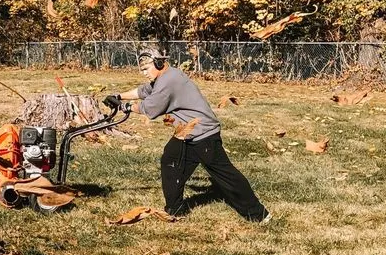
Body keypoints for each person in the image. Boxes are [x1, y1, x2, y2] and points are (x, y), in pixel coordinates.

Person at [104, 48, 270, 223]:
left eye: (146, 69)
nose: (144, 73)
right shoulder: (165, 76)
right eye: (142, 70)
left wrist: (125, 107)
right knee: (170, 159)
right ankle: (174, 209)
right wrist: (118, 96)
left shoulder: (168, 81)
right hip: (188, 133)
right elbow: (143, 91)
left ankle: (259, 214)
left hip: (203, 133)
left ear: (159, 63)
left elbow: (150, 108)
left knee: (225, 175)